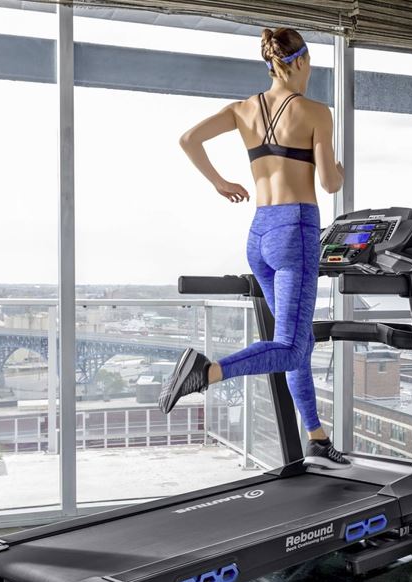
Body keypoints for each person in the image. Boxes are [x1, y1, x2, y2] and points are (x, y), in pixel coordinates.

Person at [159, 27, 349, 469]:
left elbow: (188, 139)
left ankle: (316, 436)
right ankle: (205, 372)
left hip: (259, 234)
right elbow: (328, 182)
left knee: (294, 339)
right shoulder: (317, 112)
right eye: (310, 63)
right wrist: (340, 169)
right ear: (299, 62)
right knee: (293, 347)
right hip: (296, 230)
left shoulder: (244, 108)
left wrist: (221, 183)